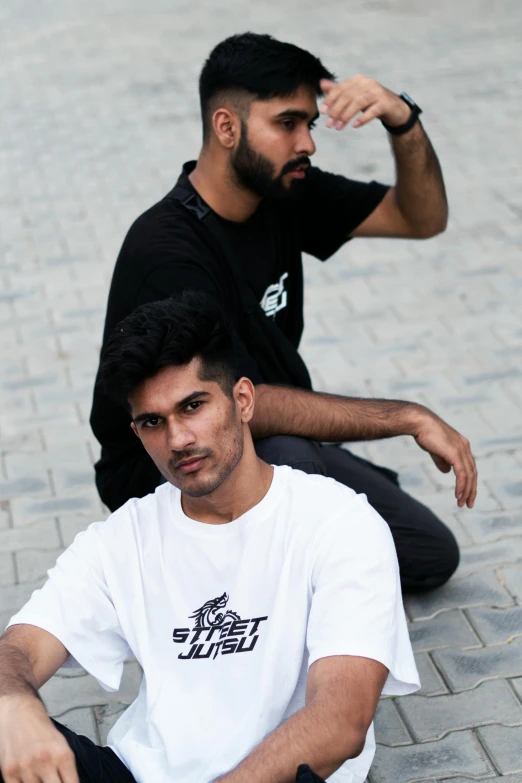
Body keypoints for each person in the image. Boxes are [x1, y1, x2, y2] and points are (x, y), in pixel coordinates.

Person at [90, 32, 477, 592]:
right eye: (287, 123)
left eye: (310, 125)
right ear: (227, 128)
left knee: (426, 552)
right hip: (170, 465)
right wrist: (407, 417)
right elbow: (236, 402)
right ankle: (239, 597)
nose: (308, 144)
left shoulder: (283, 193)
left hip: (261, 441)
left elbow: (421, 218)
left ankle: (287, 552)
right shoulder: (167, 252)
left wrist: (403, 119)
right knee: (292, 456)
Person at [0, 294, 419, 783]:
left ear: (242, 400)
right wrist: (12, 704)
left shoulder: (338, 522)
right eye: (153, 422)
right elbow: (21, 647)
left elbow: (340, 721)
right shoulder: (122, 539)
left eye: (192, 406)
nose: (177, 439)